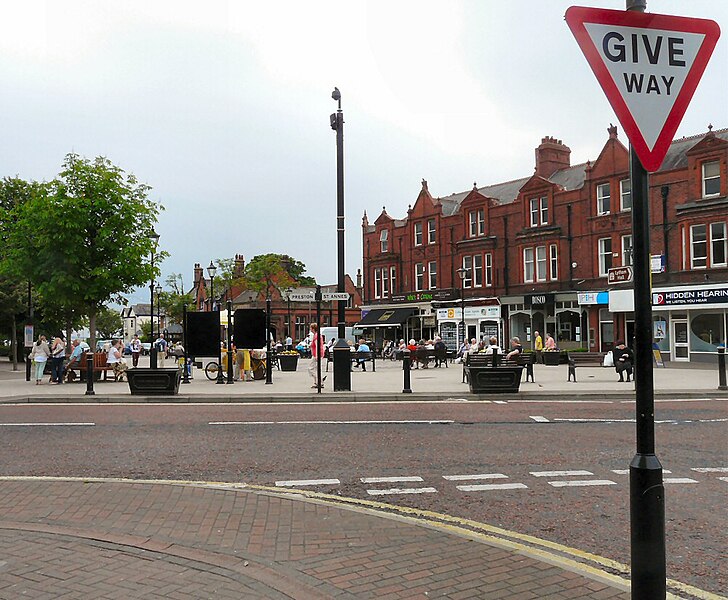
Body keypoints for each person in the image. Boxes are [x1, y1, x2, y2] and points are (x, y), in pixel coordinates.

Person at [307, 323, 326, 389]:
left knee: (310, 368)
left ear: (313, 328)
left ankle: (319, 381)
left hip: (316, 354)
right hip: (317, 354)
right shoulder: (317, 335)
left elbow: (317, 346)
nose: (310, 329)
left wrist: (317, 355)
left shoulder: (316, 336)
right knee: (317, 368)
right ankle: (318, 382)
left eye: (310, 328)